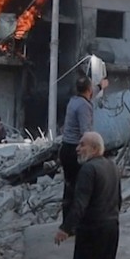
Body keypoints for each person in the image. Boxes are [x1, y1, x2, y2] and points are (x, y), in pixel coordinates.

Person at [54, 132, 121, 259]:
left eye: (82, 145)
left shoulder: (88, 169)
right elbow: (119, 200)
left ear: (94, 148)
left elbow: (80, 204)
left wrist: (65, 228)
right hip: (112, 227)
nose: (77, 148)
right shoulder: (112, 167)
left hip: (91, 229)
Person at [59, 76, 94, 223]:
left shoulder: (73, 101)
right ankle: (76, 223)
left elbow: (88, 96)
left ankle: (67, 223)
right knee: (80, 188)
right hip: (76, 151)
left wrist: (100, 86)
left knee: (69, 187)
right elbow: (86, 133)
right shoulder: (84, 106)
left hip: (66, 149)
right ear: (89, 89)